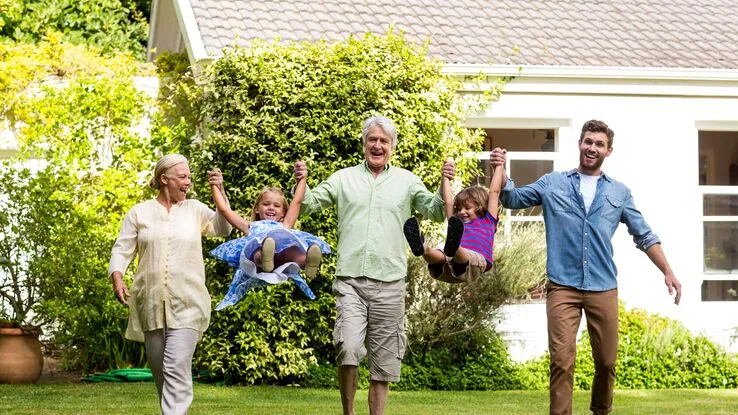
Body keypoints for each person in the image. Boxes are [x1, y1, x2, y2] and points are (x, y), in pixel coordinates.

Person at [491, 120, 682, 415]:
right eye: (588, 141)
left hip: (602, 286)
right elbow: (512, 199)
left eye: (599, 144)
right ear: (580, 144)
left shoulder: (619, 193)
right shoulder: (552, 183)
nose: (592, 148)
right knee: (561, 361)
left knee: (606, 361)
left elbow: (644, 235)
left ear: (609, 151)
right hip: (562, 286)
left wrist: (667, 271)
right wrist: (501, 169)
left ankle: (600, 411)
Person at [294, 115, 454, 415]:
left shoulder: (407, 181)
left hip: (390, 282)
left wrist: (445, 181)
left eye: (383, 141)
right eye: (372, 140)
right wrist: (301, 181)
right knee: (349, 348)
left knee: (383, 363)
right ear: (364, 143)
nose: (377, 145)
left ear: (392, 146)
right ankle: (349, 412)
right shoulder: (343, 178)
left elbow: (435, 210)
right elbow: (310, 204)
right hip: (350, 280)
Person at [108, 154, 232, 415]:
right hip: (150, 303)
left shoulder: (195, 209)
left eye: (189, 177)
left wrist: (219, 190)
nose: (188, 182)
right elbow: (122, 249)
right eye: (183, 177)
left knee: (175, 365)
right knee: (161, 372)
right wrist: (117, 276)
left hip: (188, 301)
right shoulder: (140, 212)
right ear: (164, 179)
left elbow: (223, 228)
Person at [208, 170, 331, 309]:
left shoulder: (285, 225)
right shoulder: (250, 226)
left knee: (293, 250)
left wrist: (302, 179)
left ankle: (306, 262)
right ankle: (264, 258)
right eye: (266, 204)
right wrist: (215, 185)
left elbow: (297, 202)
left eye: (277, 206)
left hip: (280, 261)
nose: (271, 208)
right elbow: (224, 210)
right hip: (257, 264)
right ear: (256, 209)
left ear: (283, 212)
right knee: (255, 249)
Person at [403, 161, 504, 283]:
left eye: (467, 208)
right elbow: (448, 202)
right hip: (449, 266)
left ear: (481, 206)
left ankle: (455, 248)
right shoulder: (456, 222)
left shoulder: (488, 220)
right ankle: (423, 248)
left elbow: (494, 192)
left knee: (458, 252)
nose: (461, 212)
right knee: (439, 255)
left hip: (475, 261)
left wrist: (499, 165)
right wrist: (445, 177)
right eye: (458, 208)